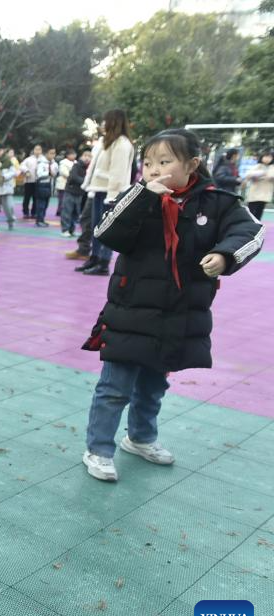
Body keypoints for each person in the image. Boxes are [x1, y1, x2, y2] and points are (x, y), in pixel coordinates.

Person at [80, 129, 263, 483]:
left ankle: (140, 438)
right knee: (115, 387)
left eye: (164, 162)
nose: (153, 170)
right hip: (130, 310)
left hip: (176, 315)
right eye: (148, 162)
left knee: (153, 384)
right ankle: (98, 449)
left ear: (192, 164)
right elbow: (107, 233)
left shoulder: (218, 202)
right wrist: (143, 197)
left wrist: (224, 256)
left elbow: (252, 232)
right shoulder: (135, 197)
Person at [79, 109, 135, 276]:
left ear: (114, 122)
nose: (103, 124)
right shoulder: (108, 142)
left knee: (106, 229)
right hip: (99, 190)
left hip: (109, 193)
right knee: (97, 227)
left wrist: (112, 197)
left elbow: (117, 174)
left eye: (106, 120)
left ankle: (103, 262)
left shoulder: (122, 144)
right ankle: (95, 257)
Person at [60, 148, 92, 237]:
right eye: (85, 156)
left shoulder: (89, 168)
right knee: (67, 211)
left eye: (89, 156)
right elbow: (74, 177)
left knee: (76, 212)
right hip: (70, 191)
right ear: (81, 157)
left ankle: (72, 230)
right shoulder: (76, 165)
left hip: (79, 193)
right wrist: (86, 181)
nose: (87, 158)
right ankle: (65, 230)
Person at [243, 150, 274, 221]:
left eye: (269, 157)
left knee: (258, 214)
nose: (267, 159)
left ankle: (256, 229)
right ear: (262, 157)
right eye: (265, 156)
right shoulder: (258, 166)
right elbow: (248, 175)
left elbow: (271, 175)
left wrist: (268, 176)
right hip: (254, 194)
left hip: (265, 194)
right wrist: (259, 174)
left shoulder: (272, 167)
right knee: (251, 213)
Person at [32, 146, 57, 227]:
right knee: (41, 204)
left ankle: (42, 219)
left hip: (50, 185)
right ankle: (38, 220)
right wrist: (49, 174)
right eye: (51, 153)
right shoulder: (41, 162)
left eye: (54, 153)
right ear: (46, 154)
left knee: (46, 203)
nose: (53, 155)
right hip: (42, 184)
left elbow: (55, 173)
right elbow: (39, 174)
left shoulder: (54, 163)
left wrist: (52, 174)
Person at [0, 149, 18, 230]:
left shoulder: (8, 162)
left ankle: (11, 220)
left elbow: (14, 172)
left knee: (9, 206)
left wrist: (4, 177)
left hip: (7, 187)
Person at [56, 148, 76, 218]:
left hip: (72, 185)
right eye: (72, 154)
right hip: (63, 184)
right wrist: (72, 176)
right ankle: (60, 211)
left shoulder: (76, 162)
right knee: (62, 199)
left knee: (68, 200)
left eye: (74, 154)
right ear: (68, 155)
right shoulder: (63, 162)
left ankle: (65, 211)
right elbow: (63, 172)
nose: (74, 156)